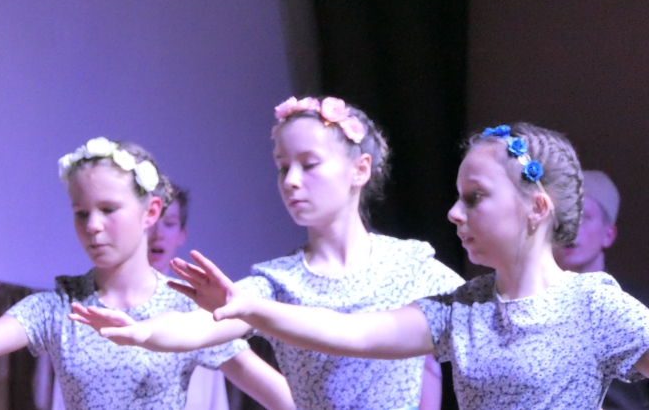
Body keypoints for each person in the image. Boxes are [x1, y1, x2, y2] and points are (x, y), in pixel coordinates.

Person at [158, 123, 649, 409]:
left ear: (536, 208)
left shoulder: (592, 304)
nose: (454, 213)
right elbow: (353, 332)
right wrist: (250, 308)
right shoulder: (463, 309)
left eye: (475, 198)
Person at [70, 97, 465, 410]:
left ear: (359, 170)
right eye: (282, 167)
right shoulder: (277, 282)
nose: (291, 181)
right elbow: (201, 325)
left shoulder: (408, 265)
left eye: (309, 165)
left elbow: (482, 313)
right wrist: (144, 332)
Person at [0, 138, 294, 410]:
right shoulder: (60, 308)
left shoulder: (185, 311)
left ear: (151, 211)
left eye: (108, 210)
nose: (93, 226)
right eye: (81, 213)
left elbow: (282, 396)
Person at [555, 170, 649, 409]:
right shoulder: (525, 303)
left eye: (584, 217)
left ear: (608, 234)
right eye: (563, 217)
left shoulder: (636, 308)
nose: (571, 228)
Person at [148, 184, 230, 410]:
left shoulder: (198, 308)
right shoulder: (100, 302)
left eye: (169, 223)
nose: (157, 234)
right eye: (151, 220)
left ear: (181, 235)